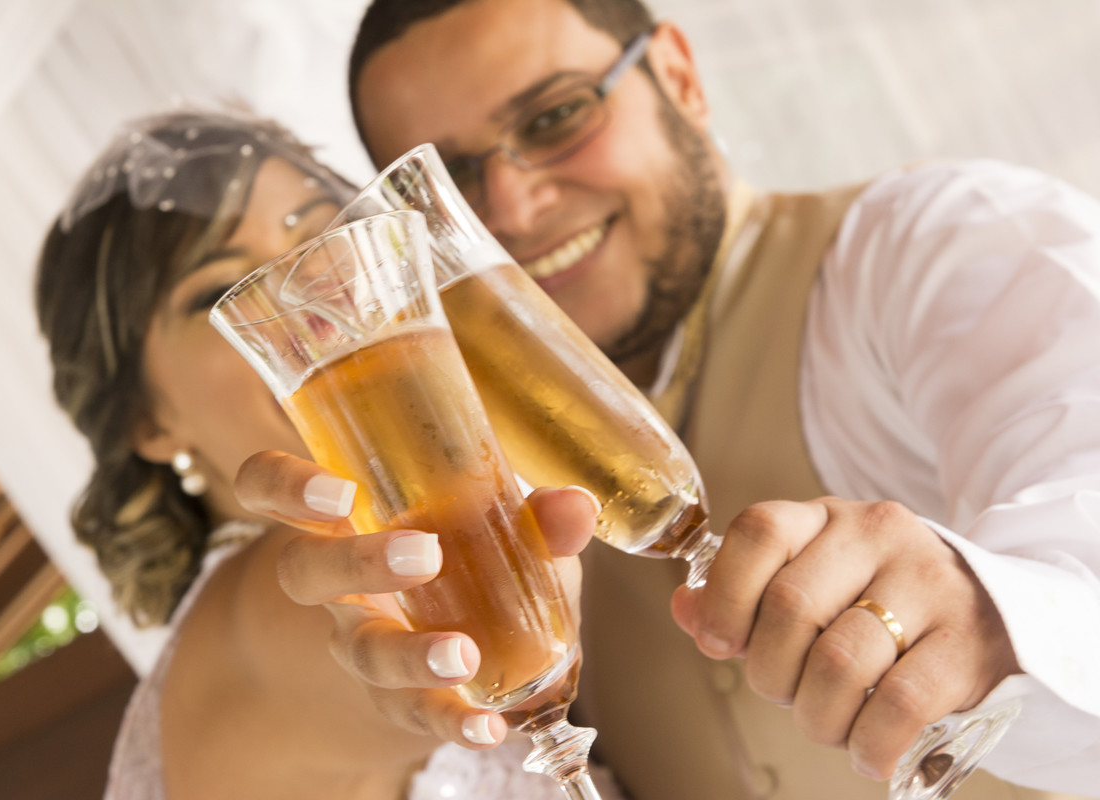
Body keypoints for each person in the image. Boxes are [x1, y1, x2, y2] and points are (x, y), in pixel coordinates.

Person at [231, 1, 1100, 798]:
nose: (516, 204)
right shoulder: (459, 486)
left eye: (555, 116)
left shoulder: (935, 244)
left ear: (679, 78)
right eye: (455, 181)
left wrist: (989, 619)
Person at [33, 107, 627, 799]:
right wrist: (406, 666)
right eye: (220, 290)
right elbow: (346, 651)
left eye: (319, 235)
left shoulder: (503, 503)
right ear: (149, 423)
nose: (307, 294)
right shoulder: (254, 623)